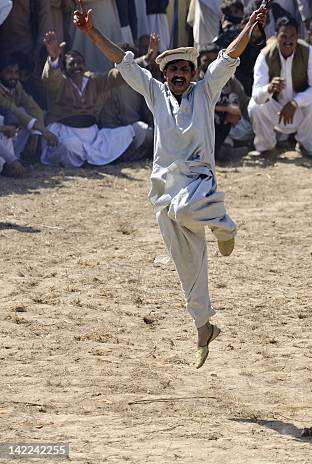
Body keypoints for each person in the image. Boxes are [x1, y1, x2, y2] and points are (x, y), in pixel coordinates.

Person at [73, 0, 268, 367]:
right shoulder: (154, 93)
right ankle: (204, 328)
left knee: (188, 208)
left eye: (185, 69)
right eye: (173, 69)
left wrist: (250, 26)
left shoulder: (205, 91)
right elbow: (123, 62)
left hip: (198, 183)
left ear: (194, 74)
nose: (178, 74)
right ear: (165, 75)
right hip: (164, 188)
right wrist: (90, 32)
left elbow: (228, 57)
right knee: (186, 263)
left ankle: (224, 226)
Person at [40, 32, 147, 167]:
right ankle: (84, 159)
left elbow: (115, 75)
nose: (76, 67)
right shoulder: (60, 82)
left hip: (92, 136)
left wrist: (146, 59)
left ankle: (91, 158)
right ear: (64, 68)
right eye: (71, 64)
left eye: (79, 63)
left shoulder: (93, 80)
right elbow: (50, 79)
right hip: (65, 132)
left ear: (85, 65)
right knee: (70, 146)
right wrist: (54, 58)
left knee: (132, 131)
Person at [248, 16, 312, 158]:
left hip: (299, 109)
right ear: (276, 36)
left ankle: (304, 145)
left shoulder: (309, 52)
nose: (288, 41)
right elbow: (257, 95)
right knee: (254, 105)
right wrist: (269, 88)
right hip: (275, 109)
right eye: (283, 36)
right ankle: (266, 147)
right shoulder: (265, 56)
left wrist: (295, 102)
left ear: (298, 36)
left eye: (292, 36)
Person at [0, 54, 59, 165]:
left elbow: (33, 107)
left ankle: (15, 157)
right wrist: (44, 131)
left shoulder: (16, 85)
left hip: (11, 129)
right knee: (15, 115)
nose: (13, 76)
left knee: (28, 113)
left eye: (16, 72)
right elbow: (13, 110)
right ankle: (9, 162)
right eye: (9, 72)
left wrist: (35, 135)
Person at [198, 43, 248, 157]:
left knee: (247, 128)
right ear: (200, 60)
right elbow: (198, 106)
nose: (210, 63)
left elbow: (239, 105)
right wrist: (226, 110)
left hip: (228, 124)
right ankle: (225, 151)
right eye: (206, 60)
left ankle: (228, 146)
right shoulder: (196, 80)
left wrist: (234, 113)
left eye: (213, 60)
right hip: (205, 125)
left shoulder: (229, 79)